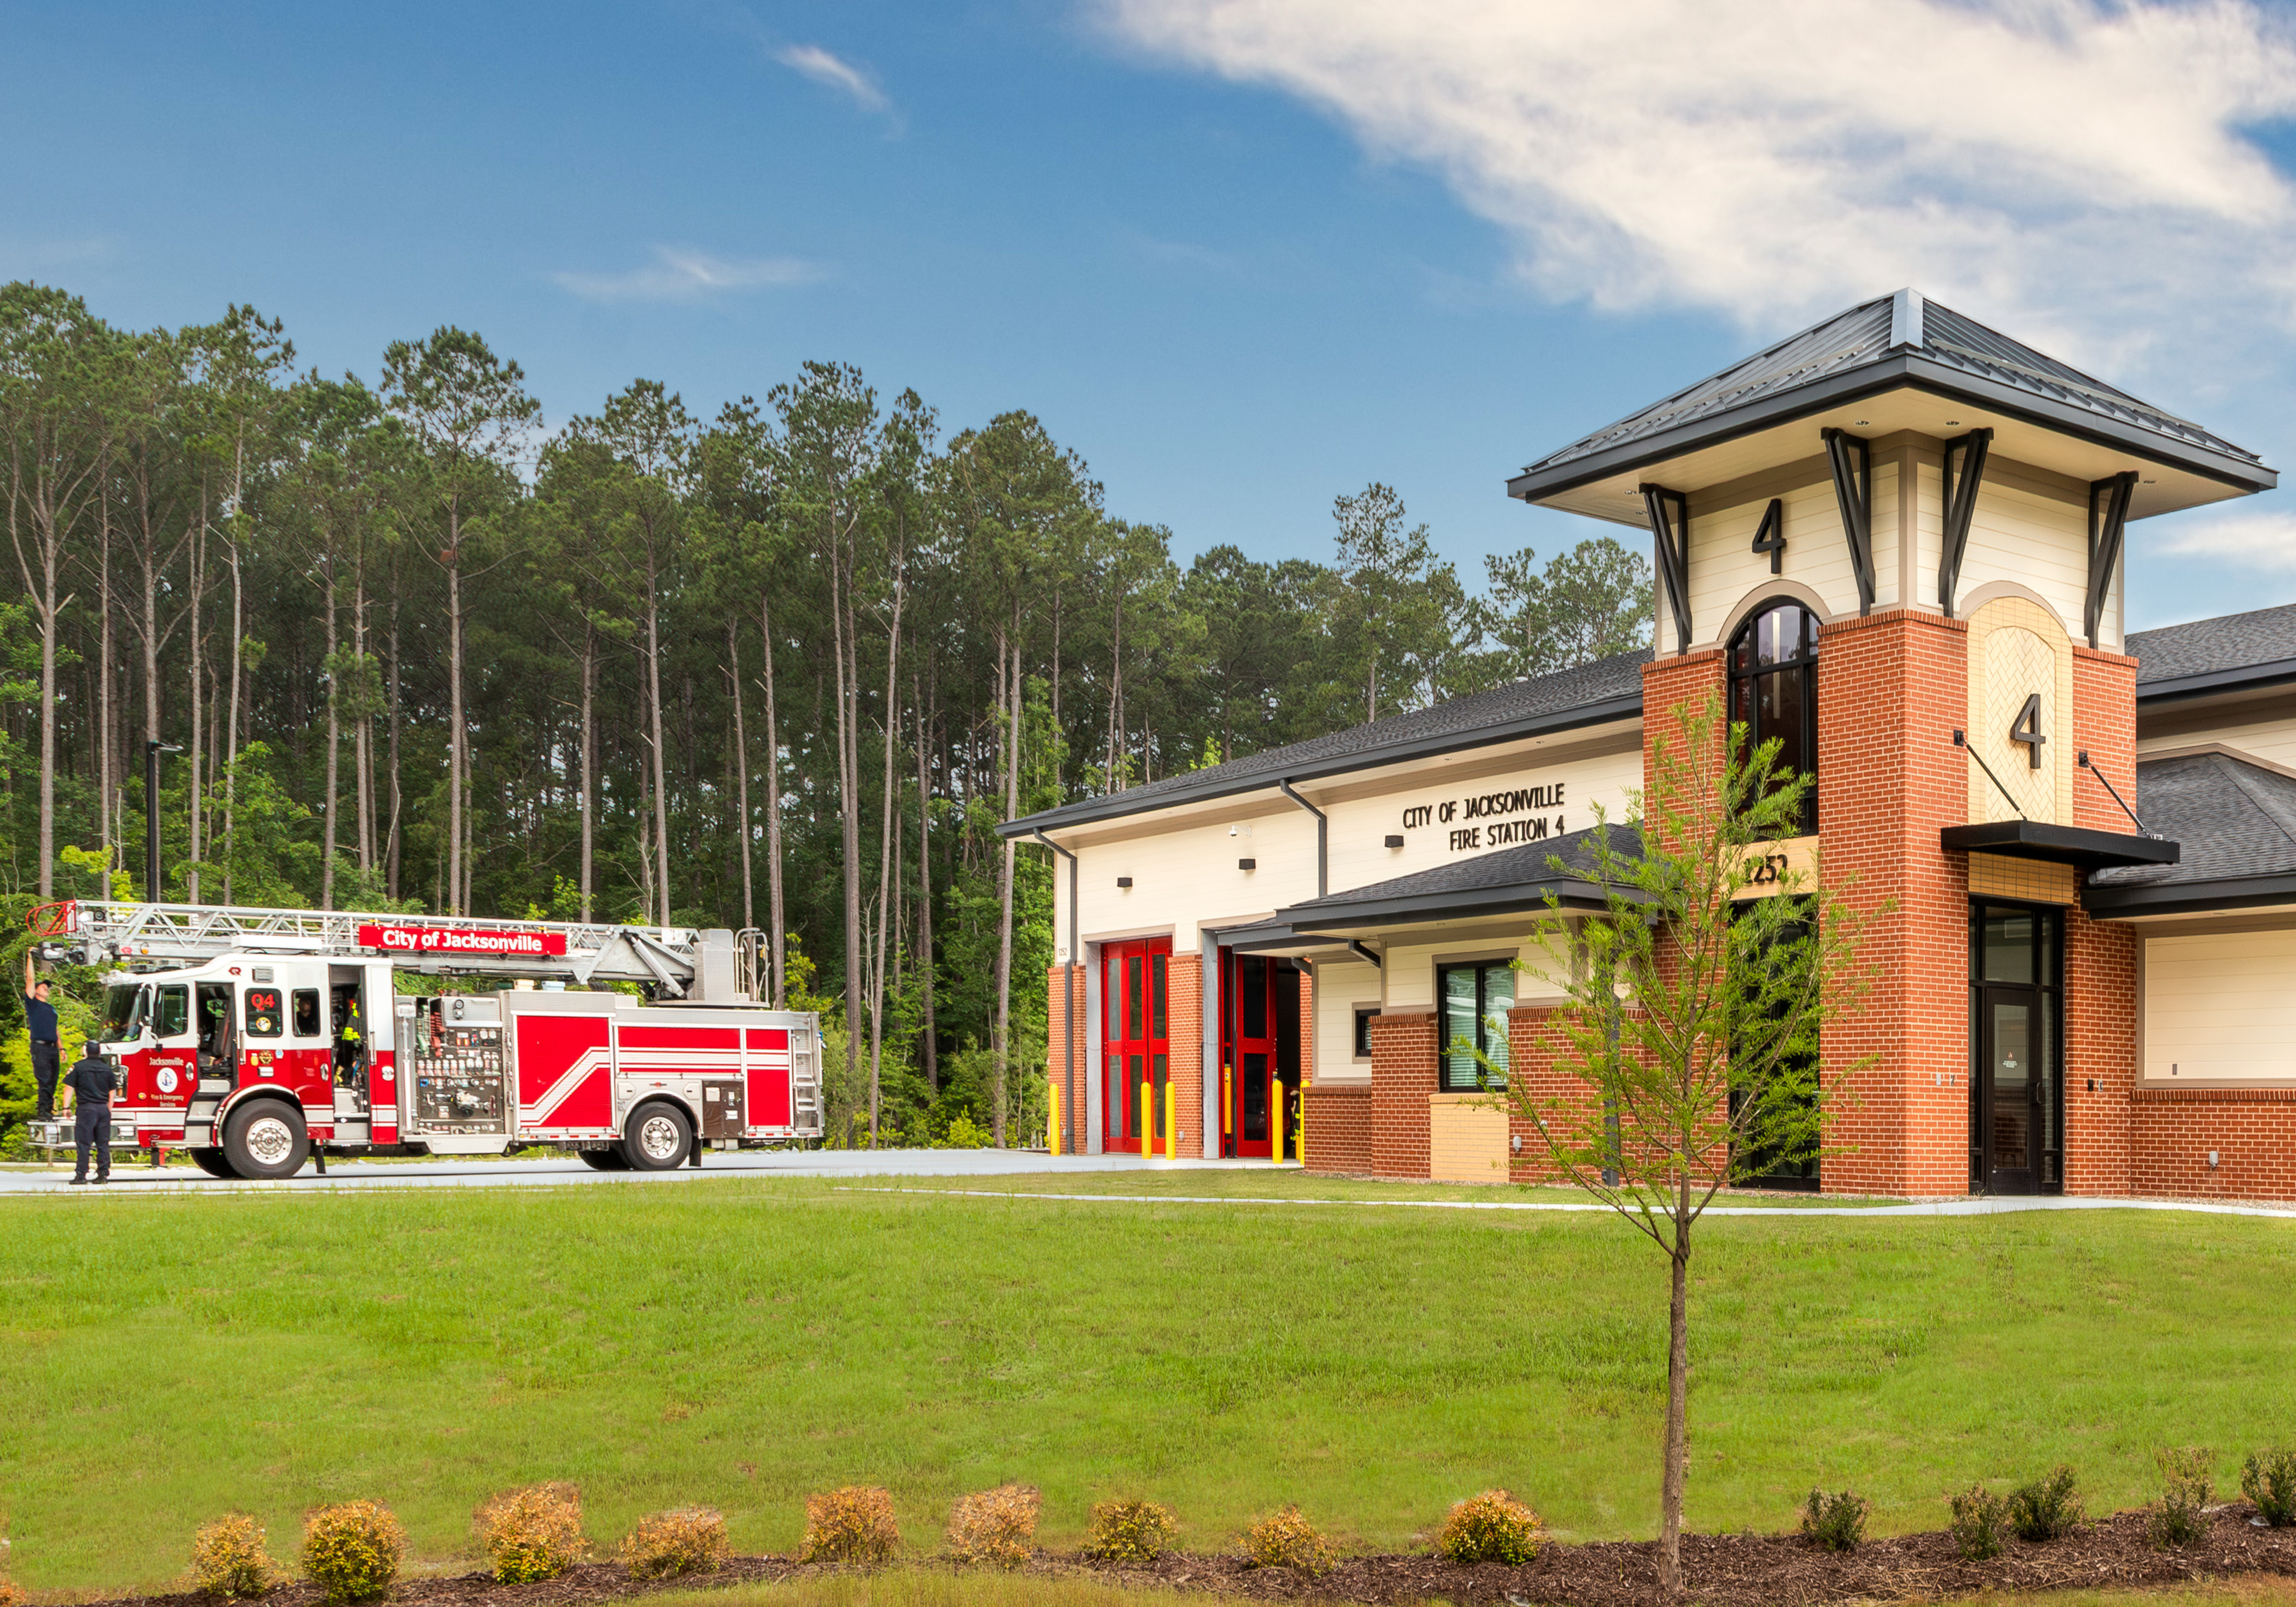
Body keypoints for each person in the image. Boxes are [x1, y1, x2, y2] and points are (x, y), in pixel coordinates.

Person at [64, 1041, 117, 1185]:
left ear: (86, 1051)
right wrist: (108, 1108)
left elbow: (69, 1088)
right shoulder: (107, 1069)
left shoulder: (78, 1067)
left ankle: (81, 1175)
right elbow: (112, 1091)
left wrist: (66, 1108)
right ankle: (103, 1174)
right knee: (103, 1144)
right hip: (103, 1109)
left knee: (84, 1144)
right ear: (99, 1052)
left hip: (86, 1109)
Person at [24, 953, 58, 1120]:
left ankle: (49, 1109)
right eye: (43, 986)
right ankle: (43, 1112)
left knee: (53, 1080)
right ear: (36, 990)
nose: (47, 988)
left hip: (53, 1048)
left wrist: (62, 1048)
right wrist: (31, 957)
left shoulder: (51, 1009)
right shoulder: (33, 1004)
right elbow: (30, 979)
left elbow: (55, 1030)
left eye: (48, 987)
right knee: (44, 1079)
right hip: (40, 1046)